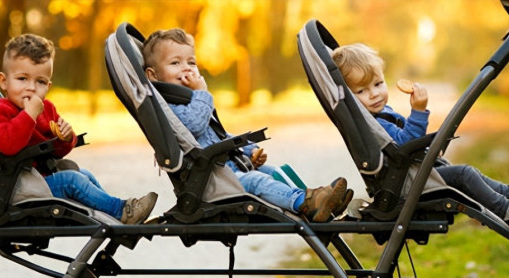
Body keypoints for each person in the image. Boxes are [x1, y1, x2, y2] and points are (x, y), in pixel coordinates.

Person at [330, 43, 509, 232]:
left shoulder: (378, 115)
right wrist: (418, 111)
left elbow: (401, 144)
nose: (374, 94)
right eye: (361, 91)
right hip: (405, 185)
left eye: (378, 84)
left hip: (408, 175)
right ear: (349, 97)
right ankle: (508, 212)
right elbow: (404, 144)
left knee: (468, 174)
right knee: (464, 174)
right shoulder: (373, 124)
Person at [142, 28, 352, 222]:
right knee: (256, 181)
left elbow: (218, 135)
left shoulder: (187, 101)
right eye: (175, 63)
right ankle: (305, 203)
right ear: (153, 75)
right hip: (210, 183)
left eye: (191, 62)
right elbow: (195, 125)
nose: (186, 68)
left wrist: (249, 150)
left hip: (226, 172)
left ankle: (316, 202)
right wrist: (202, 93)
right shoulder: (170, 107)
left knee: (272, 172)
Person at [0, 33, 157, 224]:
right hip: (22, 186)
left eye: (40, 82)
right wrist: (29, 115)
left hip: (44, 178)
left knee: (84, 175)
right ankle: (122, 211)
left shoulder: (46, 108)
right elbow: (8, 145)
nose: (31, 88)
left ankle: (113, 218)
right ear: (4, 81)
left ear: (48, 85)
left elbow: (58, 152)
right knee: (73, 181)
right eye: (22, 79)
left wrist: (66, 138)